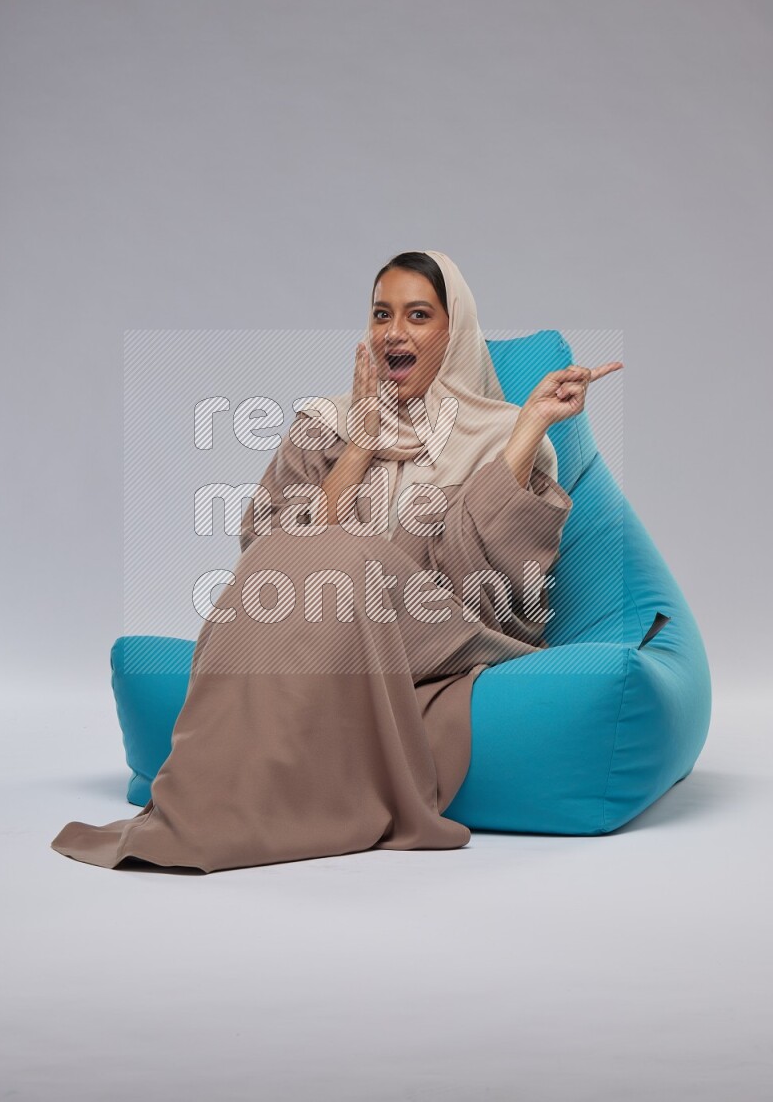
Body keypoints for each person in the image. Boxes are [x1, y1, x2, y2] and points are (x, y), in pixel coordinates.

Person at [50, 249, 622, 873]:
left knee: (344, 560)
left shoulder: (504, 434)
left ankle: (240, 810)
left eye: (418, 315)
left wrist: (529, 428)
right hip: (323, 626)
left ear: (452, 333)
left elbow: (485, 589)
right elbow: (268, 557)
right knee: (310, 561)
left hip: (441, 629)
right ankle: (214, 803)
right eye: (381, 314)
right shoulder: (323, 425)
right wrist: (360, 444)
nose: (393, 332)